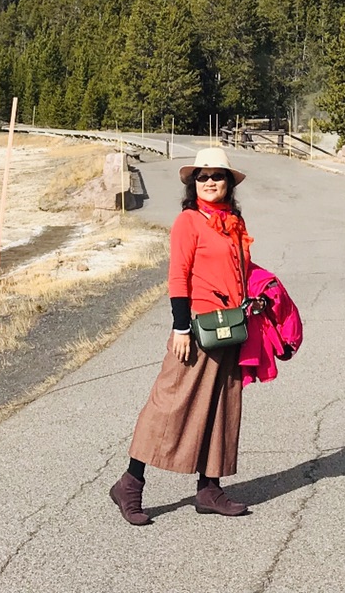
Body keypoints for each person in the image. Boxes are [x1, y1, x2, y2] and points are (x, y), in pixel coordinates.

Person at [110, 147, 255, 524]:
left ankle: (209, 487)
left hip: (231, 327)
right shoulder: (188, 222)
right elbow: (179, 276)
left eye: (217, 176)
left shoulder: (233, 222)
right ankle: (130, 482)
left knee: (222, 405)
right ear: (193, 184)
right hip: (199, 326)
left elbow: (243, 270)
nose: (210, 182)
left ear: (228, 183)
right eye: (202, 177)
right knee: (169, 404)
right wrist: (181, 326)